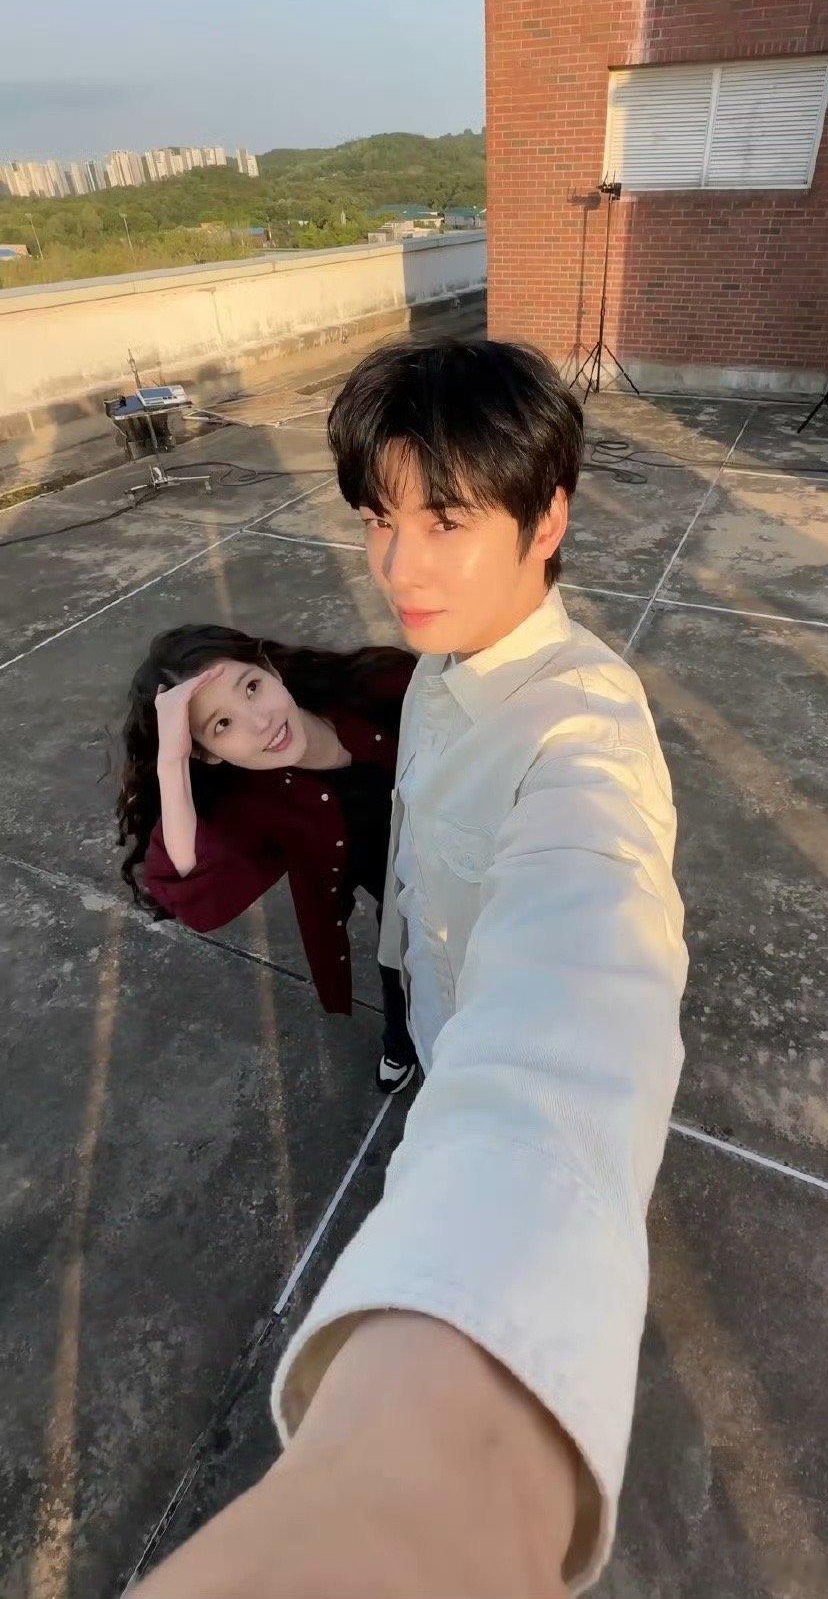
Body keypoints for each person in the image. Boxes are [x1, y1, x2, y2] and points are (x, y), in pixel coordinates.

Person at [135, 340, 688, 1597]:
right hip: (429, 1020)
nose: (398, 566)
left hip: (476, 1066)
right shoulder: (441, 665)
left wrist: (437, 1422)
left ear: (548, 519)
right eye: (379, 520)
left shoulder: (584, 735)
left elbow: (585, 986)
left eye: (446, 519)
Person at [117, 624, 419, 1093]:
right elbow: (188, 877)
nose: (260, 723)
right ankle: (400, 1041)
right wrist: (171, 761)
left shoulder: (367, 688)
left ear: (272, 670)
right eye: (222, 725)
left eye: (252, 688)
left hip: (462, 856)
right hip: (396, 895)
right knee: (400, 961)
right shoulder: (255, 802)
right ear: (207, 754)